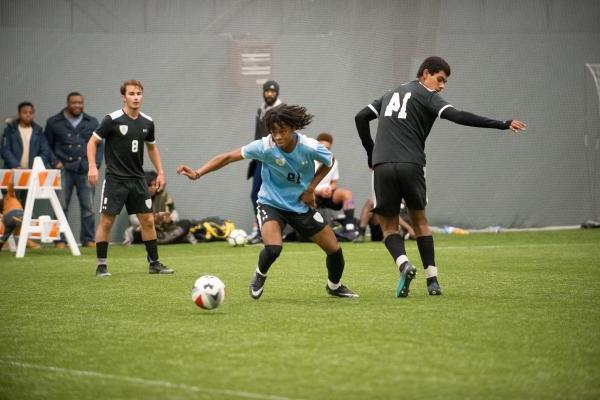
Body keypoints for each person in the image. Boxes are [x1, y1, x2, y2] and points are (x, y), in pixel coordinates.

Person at [354, 56, 526, 297]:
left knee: (389, 227)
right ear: (425, 73)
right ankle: (432, 281)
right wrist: (502, 124)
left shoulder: (390, 93)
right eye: (440, 79)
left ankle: (403, 264)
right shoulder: (427, 95)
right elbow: (458, 116)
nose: (442, 85)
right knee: (420, 223)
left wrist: (372, 154)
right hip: (411, 165)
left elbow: (360, 117)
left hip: (382, 166)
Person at [178, 104, 358, 299]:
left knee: (335, 250)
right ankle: (260, 275)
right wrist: (198, 173)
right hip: (270, 203)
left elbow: (329, 161)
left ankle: (334, 286)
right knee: (273, 248)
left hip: (300, 205)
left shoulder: (309, 146)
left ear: (293, 128)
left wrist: (311, 188)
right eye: (273, 132)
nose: (278, 137)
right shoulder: (265, 146)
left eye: (282, 131)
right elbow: (228, 157)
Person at [87, 79, 174, 277]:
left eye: (139, 93)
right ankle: (101, 265)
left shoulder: (147, 122)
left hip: (137, 180)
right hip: (115, 180)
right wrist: (92, 166)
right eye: (131, 94)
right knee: (107, 222)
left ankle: (154, 263)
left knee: (148, 221)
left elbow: (151, 147)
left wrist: (160, 172)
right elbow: (92, 142)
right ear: (123, 97)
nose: (135, 97)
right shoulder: (112, 119)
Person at [44, 92, 101, 249]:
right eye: (74, 103)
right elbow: (46, 144)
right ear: (68, 103)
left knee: (88, 207)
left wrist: (95, 164)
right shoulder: (54, 122)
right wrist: (54, 162)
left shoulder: (92, 122)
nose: (77, 106)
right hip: (63, 170)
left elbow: (99, 144)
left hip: (85, 169)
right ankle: (59, 240)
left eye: (80, 103)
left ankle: (88, 239)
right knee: (60, 206)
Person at [1, 102, 52, 250]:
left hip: (31, 177)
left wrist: (36, 167)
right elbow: (4, 150)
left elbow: (45, 152)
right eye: (25, 112)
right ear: (19, 113)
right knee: (9, 209)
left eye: (30, 112)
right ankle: (5, 240)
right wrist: (16, 166)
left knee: (26, 209)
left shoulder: (38, 131)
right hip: (12, 175)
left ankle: (26, 240)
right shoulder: (10, 130)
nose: (28, 115)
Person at [246, 80, 283, 245]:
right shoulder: (261, 109)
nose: (270, 94)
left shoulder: (282, 110)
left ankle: (274, 232)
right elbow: (257, 136)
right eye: (267, 91)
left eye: (273, 92)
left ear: (277, 93)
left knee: (274, 195)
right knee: (256, 194)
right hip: (261, 158)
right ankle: (262, 230)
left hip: (275, 159)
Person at [313, 132, 357, 236]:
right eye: (321, 147)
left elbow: (334, 182)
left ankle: (349, 227)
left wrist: (330, 189)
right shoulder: (309, 161)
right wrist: (319, 191)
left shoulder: (333, 161)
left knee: (347, 194)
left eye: (327, 148)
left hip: (327, 195)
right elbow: (303, 185)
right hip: (312, 194)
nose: (324, 150)